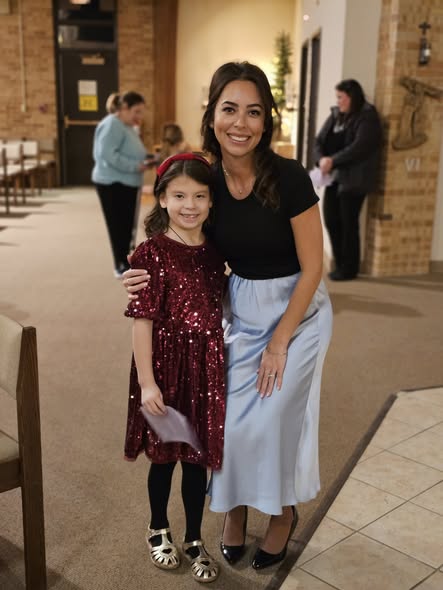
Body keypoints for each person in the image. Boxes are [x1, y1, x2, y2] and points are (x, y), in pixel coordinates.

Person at [123, 61, 333, 572]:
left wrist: (280, 342)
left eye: (254, 112)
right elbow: (181, 235)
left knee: (274, 418)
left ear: (267, 120)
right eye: (230, 109)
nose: (241, 123)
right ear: (212, 115)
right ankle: (234, 508)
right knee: (230, 421)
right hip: (238, 305)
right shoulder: (207, 179)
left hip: (298, 310)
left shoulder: (288, 177)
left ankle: (282, 513)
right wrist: (141, 271)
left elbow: (314, 268)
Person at [124, 153, 226, 583]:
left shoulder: (215, 251)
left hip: (205, 370)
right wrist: (148, 384)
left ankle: (194, 537)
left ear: (211, 200)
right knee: (165, 457)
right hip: (164, 370)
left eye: (200, 196)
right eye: (180, 195)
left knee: (197, 459)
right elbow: (142, 322)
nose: (190, 205)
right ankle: (157, 527)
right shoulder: (151, 253)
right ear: (162, 198)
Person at [313, 79, 382, 281]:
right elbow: (319, 141)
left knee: (348, 223)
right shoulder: (336, 115)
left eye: (341, 97)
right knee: (331, 218)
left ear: (352, 97)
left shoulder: (367, 116)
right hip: (334, 177)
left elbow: (360, 148)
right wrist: (322, 159)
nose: (338, 101)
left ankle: (349, 268)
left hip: (354, 179)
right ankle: (340, 263)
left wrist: (332, 161)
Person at [92, 91, 152, 278]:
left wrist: (147, 159)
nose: (139, 116)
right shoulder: (112, 124)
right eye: (136, 111)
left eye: (141, 112)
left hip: (128, 181)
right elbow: (108, 155)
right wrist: (135, 166)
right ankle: (120, 264)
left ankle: (126, 259)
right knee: (118, 225)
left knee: (127, 225)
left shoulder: (127, 126)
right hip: (113, 183)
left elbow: (131, 150)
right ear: (124, 108)